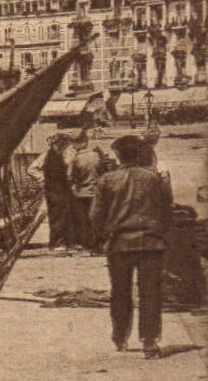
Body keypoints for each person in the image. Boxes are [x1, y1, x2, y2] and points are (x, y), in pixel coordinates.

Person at [90, 134, 172, 357]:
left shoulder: (106, 181)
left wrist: (103, 236)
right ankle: (149, 342)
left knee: (120, 293)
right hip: (151, 244)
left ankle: (120, 338)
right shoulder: (153, 179)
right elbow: (166, 211)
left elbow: (96, 216)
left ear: (117, 155)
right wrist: (160, 233)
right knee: (151, 294)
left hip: (119, 245)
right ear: (139, 153)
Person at [65, 130, 109, 250]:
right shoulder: (96, 156)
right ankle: (99, 243)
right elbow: (104, 172)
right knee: (97, 218)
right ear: (86, 142)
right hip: (96, 192)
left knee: (84, 220)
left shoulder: (76, 159)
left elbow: (70, 177)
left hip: (81, 193)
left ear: (76, 144)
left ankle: (87, 244)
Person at [28, 134, 73, 249]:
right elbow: (31, 169)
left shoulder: (69, 155)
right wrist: (43, 179)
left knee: (64, 216)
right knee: (49, 215)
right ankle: (55, 242)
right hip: (53, 189)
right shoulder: (47, 156)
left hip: (66, 189)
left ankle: (65, 242)